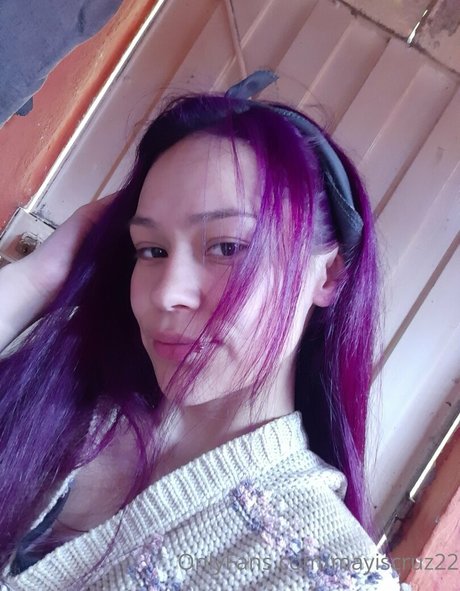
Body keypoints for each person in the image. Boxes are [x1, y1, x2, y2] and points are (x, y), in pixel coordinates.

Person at [0, 72, 408, 590]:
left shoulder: (325, 571)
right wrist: (39, 279)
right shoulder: (62, 406)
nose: (167, 293)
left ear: (326, 275)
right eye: (152, 250)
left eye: (227, 247)